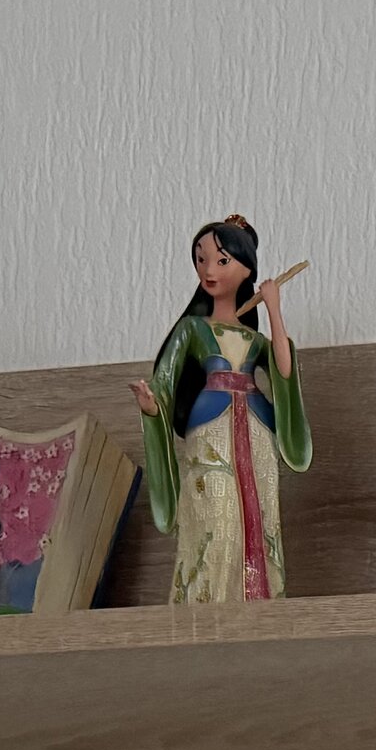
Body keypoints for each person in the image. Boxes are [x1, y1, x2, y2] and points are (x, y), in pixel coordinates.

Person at [132, 215, 312, 601]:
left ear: (246, 269)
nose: (209, 270)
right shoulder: (193, 330)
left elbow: (283, 371)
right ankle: (205, 604)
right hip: (211, 429)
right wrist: (151, 406)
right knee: (215, 513)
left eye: (221, 260)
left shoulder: (254, 339)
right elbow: (165, 381)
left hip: (257, 429)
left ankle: (258, 603)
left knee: (259, 513)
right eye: (202, 260)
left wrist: (274, 308)